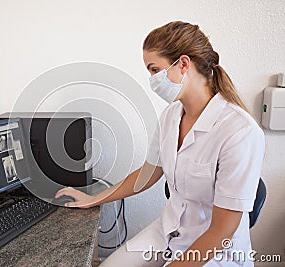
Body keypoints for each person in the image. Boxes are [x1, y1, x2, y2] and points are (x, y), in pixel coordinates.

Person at [55, 21, 265, 266]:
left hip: (214, 250)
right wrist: (94, 198)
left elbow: (222, 231)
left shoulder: (239, 131)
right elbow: (148, 173)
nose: (152, 79)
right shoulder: (171, 116)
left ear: (183, 64)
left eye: (155, 70)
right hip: (169, 230)